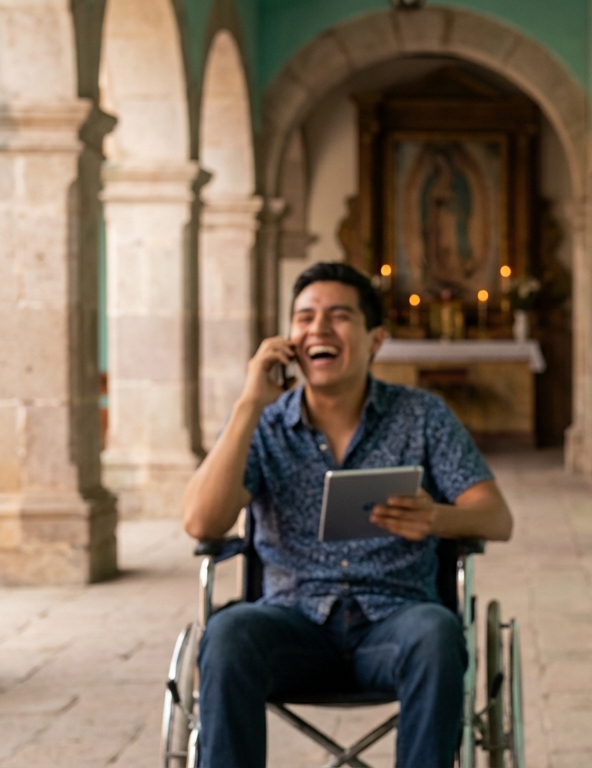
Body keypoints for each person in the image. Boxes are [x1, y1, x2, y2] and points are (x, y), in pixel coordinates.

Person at [183, 262, 513, 768]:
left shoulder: (421, 416)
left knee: (437, 633)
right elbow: (201, 524)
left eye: (338, 317)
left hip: (395, 623)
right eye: (305, 317)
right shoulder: (264, 426)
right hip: (291, 625)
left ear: (375, 339)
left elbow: (496, 517)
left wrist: (436, 519)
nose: (318, 328)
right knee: (228, 634)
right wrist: (249, 404)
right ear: (290, 338)